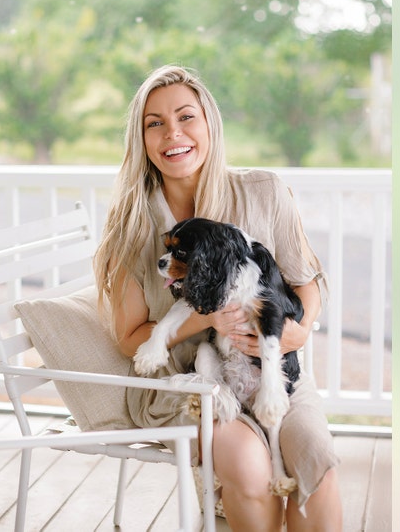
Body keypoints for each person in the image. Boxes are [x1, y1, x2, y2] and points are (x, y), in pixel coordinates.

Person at [93, 64, 342, 530]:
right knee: (249, 464)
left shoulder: (264, 191)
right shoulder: (130, 222)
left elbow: (306, 282)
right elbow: (130, 338)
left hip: (271, 368)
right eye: (155, 123)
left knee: (317, 459)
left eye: (186, 117)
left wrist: (299, 331)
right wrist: (211, 320)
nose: (173, 134)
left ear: (209, 125)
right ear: (140, 139)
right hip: (185, 385)